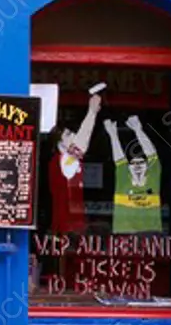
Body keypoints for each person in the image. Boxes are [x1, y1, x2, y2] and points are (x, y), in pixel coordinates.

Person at [48, 92, 101, 234]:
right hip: (68, 223)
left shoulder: (63, 160)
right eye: (68, 135)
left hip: (70, 222)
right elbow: (82, 143)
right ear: (60, 143)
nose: (73, 136)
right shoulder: (64, 160)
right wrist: (92, 112)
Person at [104, 115, 163, 234]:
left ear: (147, 165)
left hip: (150, 234)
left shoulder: (153, 175)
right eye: (133, 163)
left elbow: (152, 154)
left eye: (141, 162)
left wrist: (138, 130)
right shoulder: (123, 177)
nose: (137, 166)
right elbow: (119, 158)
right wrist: (113, 135)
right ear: (128, 167)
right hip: (124, 233)